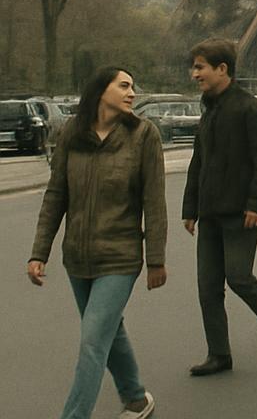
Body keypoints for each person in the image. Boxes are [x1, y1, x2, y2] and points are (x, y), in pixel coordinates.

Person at [28, 66, 167, 419]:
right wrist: (38, 253)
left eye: (133, 86)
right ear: (101, 90)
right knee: (109, 330)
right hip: (76, 257)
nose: (132, 93)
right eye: (124, 86)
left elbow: (154, 201)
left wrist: (156, 259)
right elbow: (56, 195)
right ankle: (136, 398)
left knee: (92, 341)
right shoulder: (71, 132)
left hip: (120, 257)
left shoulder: (143, 135)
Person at [182, 37, 257, 375]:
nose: (194, 74)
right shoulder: (209, 110)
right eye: (194, 67)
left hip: (241, 212)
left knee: (239, 276)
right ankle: (219, 354)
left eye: (200, 67)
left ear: (222, 68)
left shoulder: (250, 109)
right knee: (207, 288)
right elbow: (198, 162)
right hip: (210, 212)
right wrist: (190, 208)